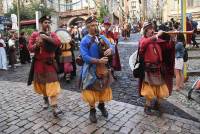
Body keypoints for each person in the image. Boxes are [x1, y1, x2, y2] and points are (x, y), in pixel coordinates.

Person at [79, 16, 115, 123]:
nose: (94, 27)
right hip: (91, 69)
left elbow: (112, 46)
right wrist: (98, 61)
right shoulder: (84, 41)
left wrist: (111, 50)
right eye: (92, 25)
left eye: (95, 25)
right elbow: (85, 57)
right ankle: (92, 110)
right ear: (87, 27)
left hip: (103, 68)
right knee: (91, 91)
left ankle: (101, 105)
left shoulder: (102, 37)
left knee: (103, 88)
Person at [28, 15, 62, 117]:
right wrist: (36, 45)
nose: (47, 24)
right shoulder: (34, 34)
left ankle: (55, 106)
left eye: (48, 23)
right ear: (41, 23)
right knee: (43, 85)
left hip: (50, 64)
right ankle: (45, 99)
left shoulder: (52, 34)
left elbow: (58, 42)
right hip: (39, 64)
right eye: (45, 22)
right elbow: (30, 48)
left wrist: (47, 37)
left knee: (53, 83)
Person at [138, 22, 175, 116]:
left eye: (152, 28)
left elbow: (167, 48)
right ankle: (147, 106)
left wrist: (172, 39)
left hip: (158, 69)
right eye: (150, 29)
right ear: (146, 31)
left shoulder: (156, 41)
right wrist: (158, 35)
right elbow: (143, 45)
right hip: (148, 69)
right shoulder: (143, 40)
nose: (152, 30)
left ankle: (157, 105)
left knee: (160, 88)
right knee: (148, 89)